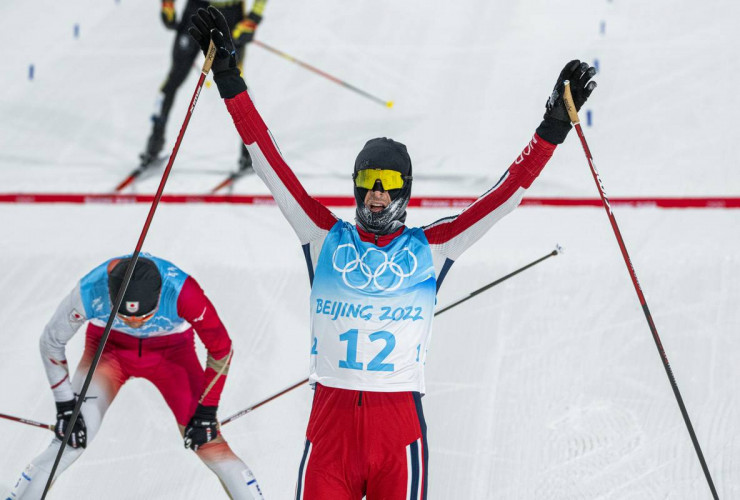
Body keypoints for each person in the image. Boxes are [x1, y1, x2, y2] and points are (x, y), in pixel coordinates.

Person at [190, 7, 597, 498]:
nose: (375, 194)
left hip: (397, 433)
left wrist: (551, 127)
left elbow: (505, 195)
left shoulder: (432, 247)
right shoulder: (323, 237)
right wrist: (230, 78)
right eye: (366, 182)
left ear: (404, 190)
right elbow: (267, 159)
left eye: (386, 184)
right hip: (331, 436)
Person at [7, 255, 264, 499]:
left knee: (208, 442)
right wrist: (65, 407)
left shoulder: (183, 290)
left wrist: (207, 413)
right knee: (71, 439)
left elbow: (221, 347)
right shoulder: (90, 290)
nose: (135, 324)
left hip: (172, 354)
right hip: (109, 351)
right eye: (124, 316)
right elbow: (51, 341)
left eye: (144, 316)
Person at [140, 0, 267, 171]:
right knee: (174, 78)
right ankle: (154, 143)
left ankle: (251, 151)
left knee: (235, 81)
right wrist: (168, 4)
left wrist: (254, 17)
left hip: (230, 14)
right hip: (196, 9)